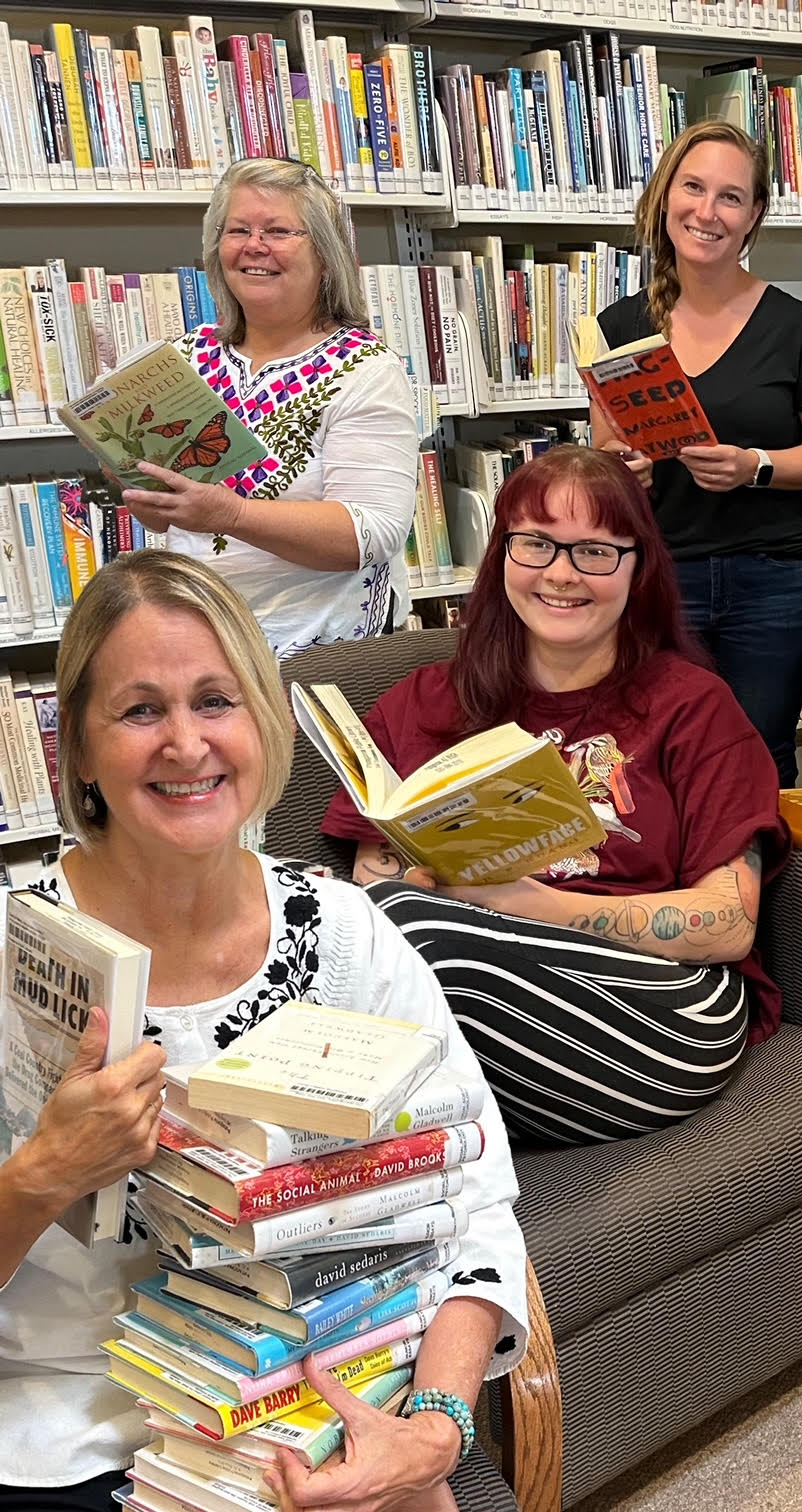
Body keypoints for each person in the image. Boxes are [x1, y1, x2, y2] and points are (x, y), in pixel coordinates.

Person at [0, 551, 527, 1511]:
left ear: (262, 720)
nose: (187, 744)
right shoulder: (12, 957)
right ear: (76, 747)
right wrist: (46, 1170)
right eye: (140, 710)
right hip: (71, 1428)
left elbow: (480, 1198)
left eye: (215, 700)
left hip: (316, 1400)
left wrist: (436, 1429)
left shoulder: (348, 935)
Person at [322, 446, 789, 1147]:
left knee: (402, 937)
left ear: (639, 569)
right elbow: (376, 878)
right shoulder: (422, 704)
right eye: (536, 544)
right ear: (502, 554)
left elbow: (727, 924)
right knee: (353, 929)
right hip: (474, 991)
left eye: (596, 551)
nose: (561, 574)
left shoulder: (692, 705)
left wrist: (529, 905)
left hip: (668, 1004)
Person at [591, 120, 802, 788]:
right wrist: (625, 470)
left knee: (758, 764)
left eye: (730, 197)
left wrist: (754, 465)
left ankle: (765, 897)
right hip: (658, 578)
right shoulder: (620, 327)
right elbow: (603, 454)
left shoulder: (797, 327)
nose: (707, 212)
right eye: (694, 188)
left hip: (772, 580)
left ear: (754, 216)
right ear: (666, 195)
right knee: (661, 766)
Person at [115, 157, 419, 658]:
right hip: (204, 645)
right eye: (238, 230)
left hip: (325, 654)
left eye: (278, 230)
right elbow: (168, 515)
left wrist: (231, 514)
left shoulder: (365, 368)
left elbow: (373, 531)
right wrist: (139, 482)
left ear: (325, 253)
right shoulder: (183, 361)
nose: (254, 246)